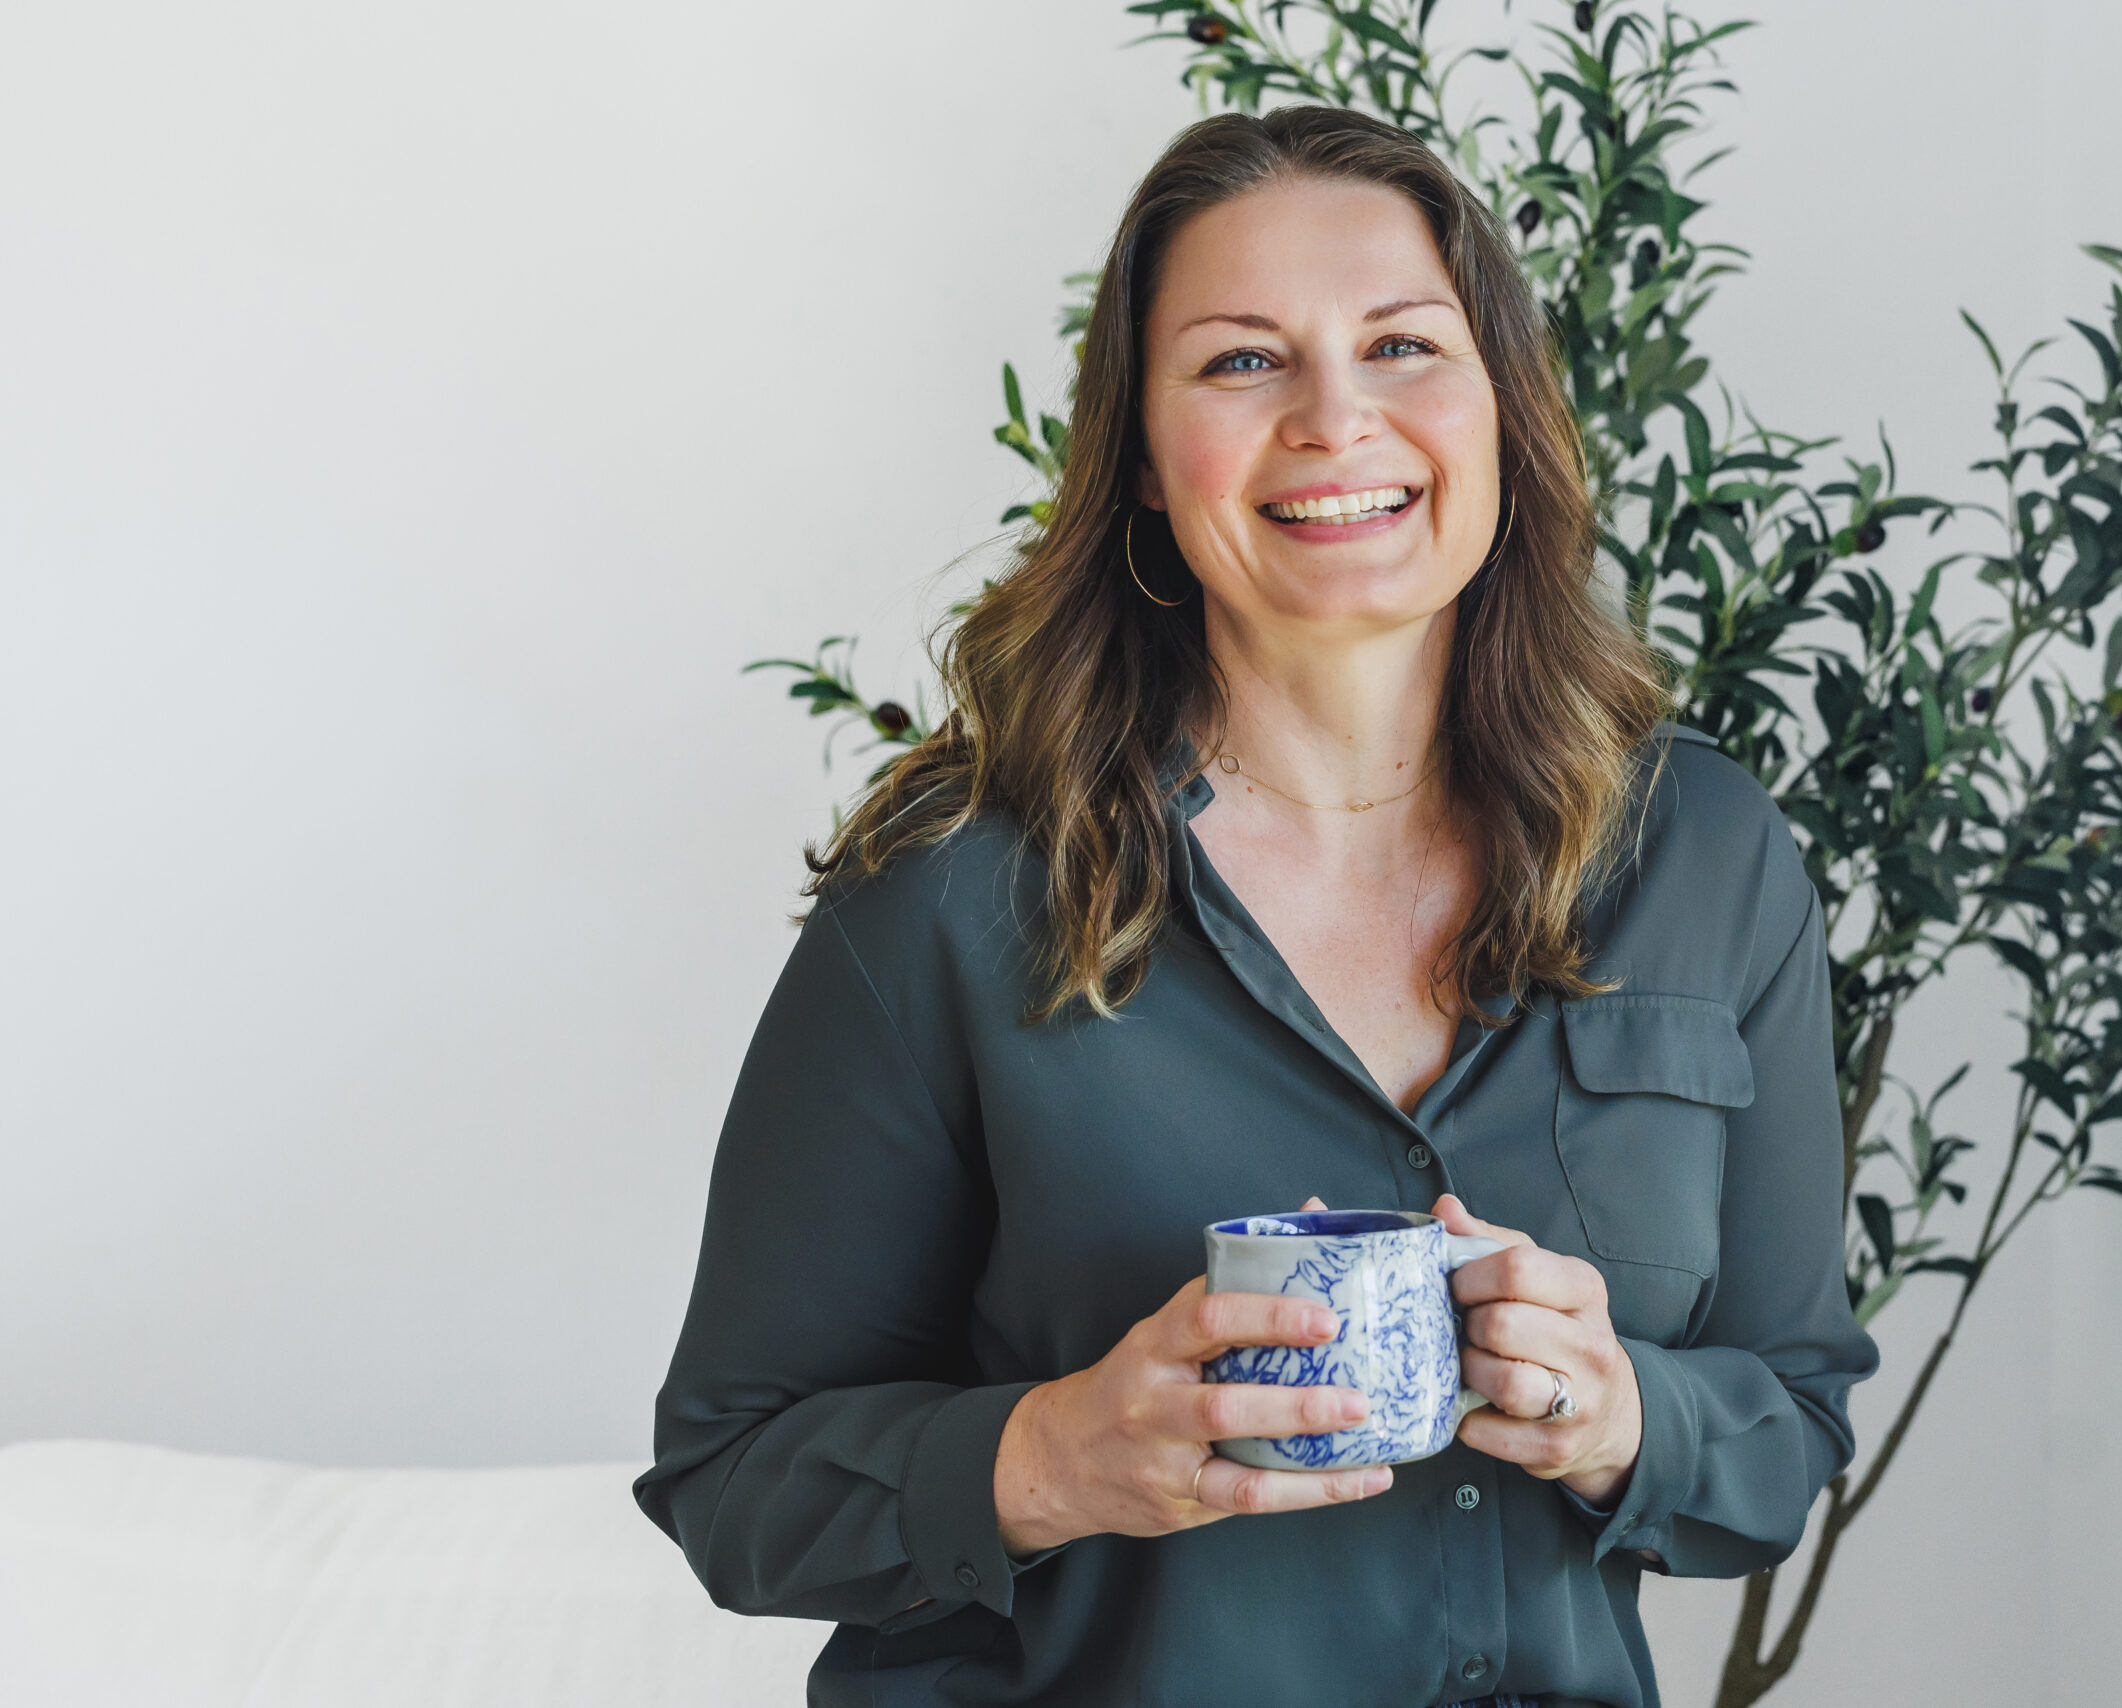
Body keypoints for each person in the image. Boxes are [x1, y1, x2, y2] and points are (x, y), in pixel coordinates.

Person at [634, 105, 1877, 1708]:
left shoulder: (1705, 854)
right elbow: (733, 1482)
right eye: (1241, 362)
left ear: (1503, 414)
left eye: (1404, 345)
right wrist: (1051, 1457)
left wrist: (1626, 1415)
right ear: (1145, 466)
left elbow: (1787, 1431)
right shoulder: (949, 893)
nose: (1335, 420)